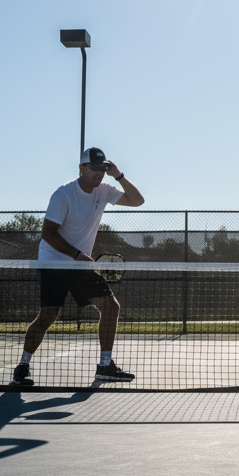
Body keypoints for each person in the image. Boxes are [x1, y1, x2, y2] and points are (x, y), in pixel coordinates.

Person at [11, 147, 144, 387]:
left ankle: (105, 366)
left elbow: (138, 201)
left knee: (110, 307)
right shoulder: (63, 195)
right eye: (94, 168)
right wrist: (76, 254)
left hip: (80, 265)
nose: (99, 174)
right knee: (48, 315)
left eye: (102, 169)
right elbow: (48, 234)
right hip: (53, 262)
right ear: (81, 168)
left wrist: (119, 175)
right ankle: (23, 365)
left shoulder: (104, 191)